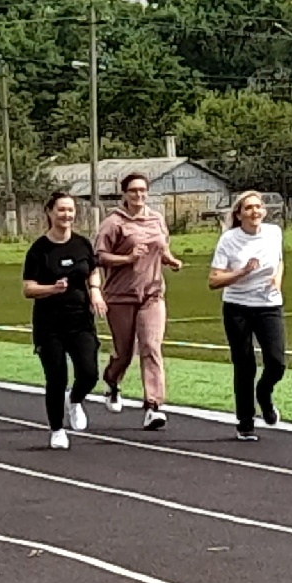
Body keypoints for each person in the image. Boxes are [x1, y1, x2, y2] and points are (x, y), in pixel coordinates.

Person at [95, 171, 182, 431]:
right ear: (124, 194)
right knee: (124, 353)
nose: (139, 195)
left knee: (151, 346)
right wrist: (127, 259)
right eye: (133, 190)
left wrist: (170, 260)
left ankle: (153, 406)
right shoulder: (113, 223)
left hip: (152, 293)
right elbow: (99, 257)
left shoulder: (156, 219)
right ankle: (111, 381)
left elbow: (162, 248)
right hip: (121, 295)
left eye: (143, 190)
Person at [21, 190, 104, 450]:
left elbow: (93, 271)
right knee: (56, 378)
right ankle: (56, 429)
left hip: (80, 320)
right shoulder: (39, 250)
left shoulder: (81, 244)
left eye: (70, 210)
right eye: (61, 210)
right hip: (50, 324)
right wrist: (51, 289)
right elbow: (28, 289)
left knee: (89, 373)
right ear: (49, 212)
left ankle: (76, 399)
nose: (66, 214)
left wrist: (95, 292)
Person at [207, 190, 286, 443]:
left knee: (276, 361)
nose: (254, 212)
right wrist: (242, 272)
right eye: (248, 208)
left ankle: (264, 393)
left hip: (269, 305)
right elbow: (214, 280)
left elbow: (280, 260)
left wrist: (277, 279)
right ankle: (246, 422)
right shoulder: (229, 240)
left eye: (258, 207)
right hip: (238, 306)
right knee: (245, 365)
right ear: (239, 214)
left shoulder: (274, 232)